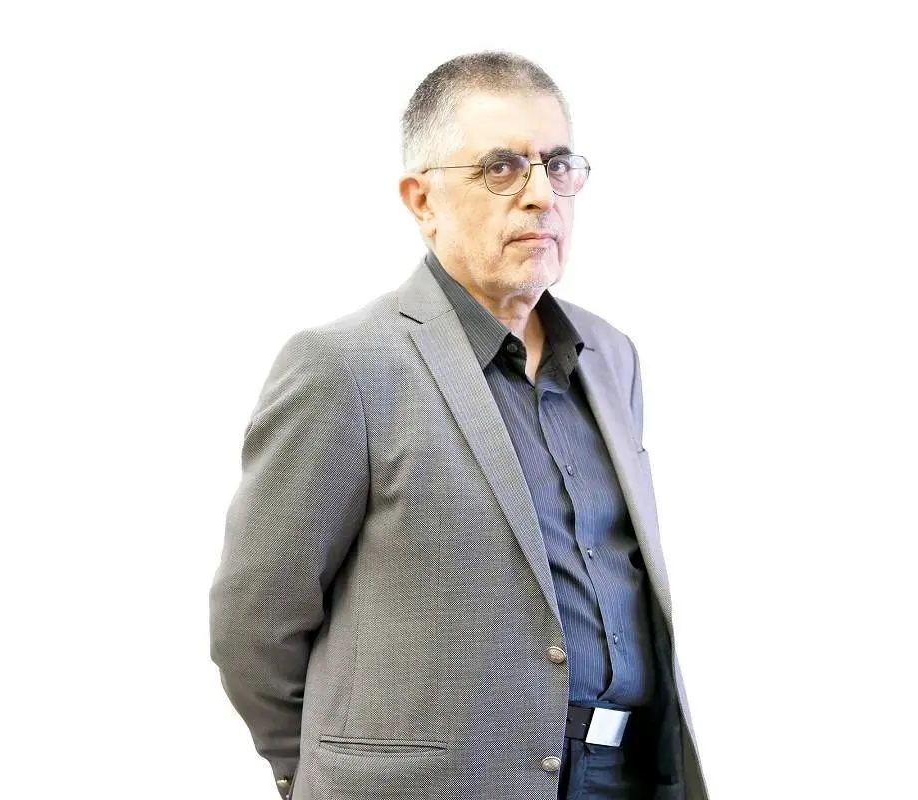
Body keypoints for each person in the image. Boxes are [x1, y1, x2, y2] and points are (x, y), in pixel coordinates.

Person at [209, 50, 710, 800]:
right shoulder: (345, 367)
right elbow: (255, 621)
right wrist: (322, 773)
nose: (541, 195)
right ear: (422, 200)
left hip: (627, 774)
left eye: (558, 166)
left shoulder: (611, 356)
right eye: (502, 168)